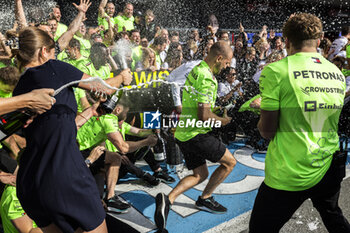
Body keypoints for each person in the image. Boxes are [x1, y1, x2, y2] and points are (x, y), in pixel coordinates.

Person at [11, 26, 131, 233]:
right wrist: (122, 78)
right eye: (52, 50)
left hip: (30, 181)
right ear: (43, 52)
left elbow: (51, 128)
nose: (55, 54)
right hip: (64, 175)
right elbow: (105, 87)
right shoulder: (54, 68)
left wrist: (92, 112)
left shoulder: (21, 87)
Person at [249, 13, 350, 233]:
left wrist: (260, 110)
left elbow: (266, 131)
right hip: (329, 164)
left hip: (289, 172)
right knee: (334, 218)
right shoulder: (336, 73)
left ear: (286, 40)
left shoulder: (276, 71)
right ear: (321, 38)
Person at [154, 41, 237, 231]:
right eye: (226, 63)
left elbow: (199, 105)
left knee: (200, 174)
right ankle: (205, 198)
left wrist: (213, 110)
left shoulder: (197, 68)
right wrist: (223, 121)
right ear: (219, 58)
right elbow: (204, 116)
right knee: (230, 163)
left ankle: (168, 200)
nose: (227, 67)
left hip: (184, 133)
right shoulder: (207, 78)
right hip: (196, 133)